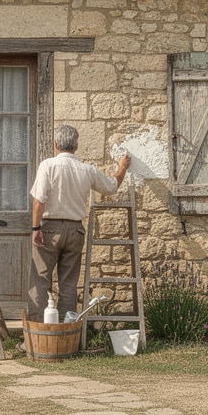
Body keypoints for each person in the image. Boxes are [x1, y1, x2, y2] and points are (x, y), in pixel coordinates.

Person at [29, 124, 131, 319]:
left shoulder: (48, 165)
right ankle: (67, 334)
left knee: (41, 280)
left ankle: (40, 334)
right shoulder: (86, 170)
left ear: (55, 144)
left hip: (50, 229)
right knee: (68, 283)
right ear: (76, 146)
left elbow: (39, 199)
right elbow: (111, 186)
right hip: (75, 230)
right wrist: (121, 168)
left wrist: (36, 228)